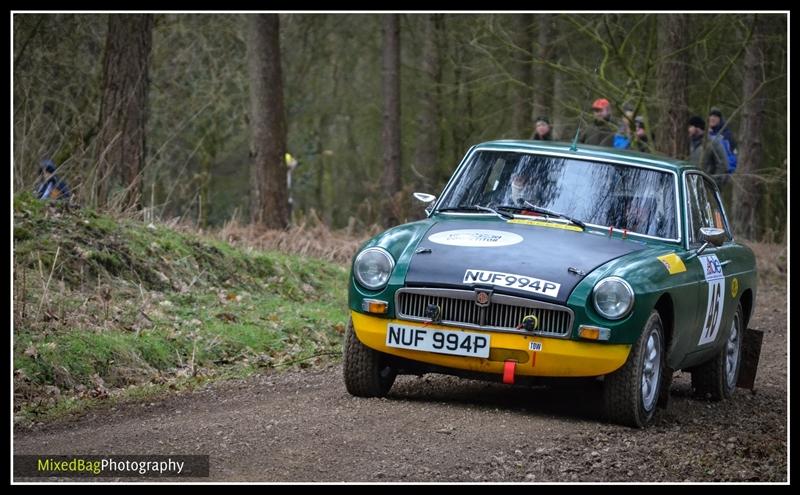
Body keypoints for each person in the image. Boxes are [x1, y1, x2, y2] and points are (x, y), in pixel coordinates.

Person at [688, 116, 728, 187]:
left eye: (691, 126)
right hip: (691, 185)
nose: (688, 129)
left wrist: (712, 183)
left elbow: (722, 164)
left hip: (706, 186)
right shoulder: (688, 143)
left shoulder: (713, 143)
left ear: (697, 128)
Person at [708, 107, 738, 173]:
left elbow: (733, 157)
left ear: (720, 119)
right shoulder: (705, 135)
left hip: (722, 173)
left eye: (715, 116)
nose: (712, 118)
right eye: (711, 116)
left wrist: (726, 170)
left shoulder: (727, 135)